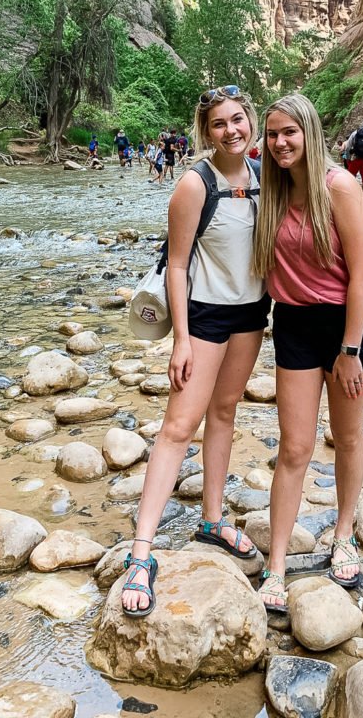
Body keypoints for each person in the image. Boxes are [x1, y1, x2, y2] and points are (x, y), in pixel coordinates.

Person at [121, 86, 270, 618]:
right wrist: (182, 339)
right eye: (218, 124)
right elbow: (178, 264)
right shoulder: (193, 183)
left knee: (225, 412)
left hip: (252, 314)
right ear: (205, 132)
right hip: (204, 317)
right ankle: (141, 555)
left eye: (238, 119)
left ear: (250, 120)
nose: (231, 131)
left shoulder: (264, 178)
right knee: (178, 427)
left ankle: (211, 520)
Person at [253, 94, 363, 614]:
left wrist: (350, 349)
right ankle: (278, 565)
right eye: (273, 134)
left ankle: (344, 533)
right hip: (294, 324)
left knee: (348, 435)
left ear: (309, 132)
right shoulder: (271, 188)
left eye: (290, 132)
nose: (281, 142)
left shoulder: (339, 186)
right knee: (294, 447)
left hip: (346, 324)